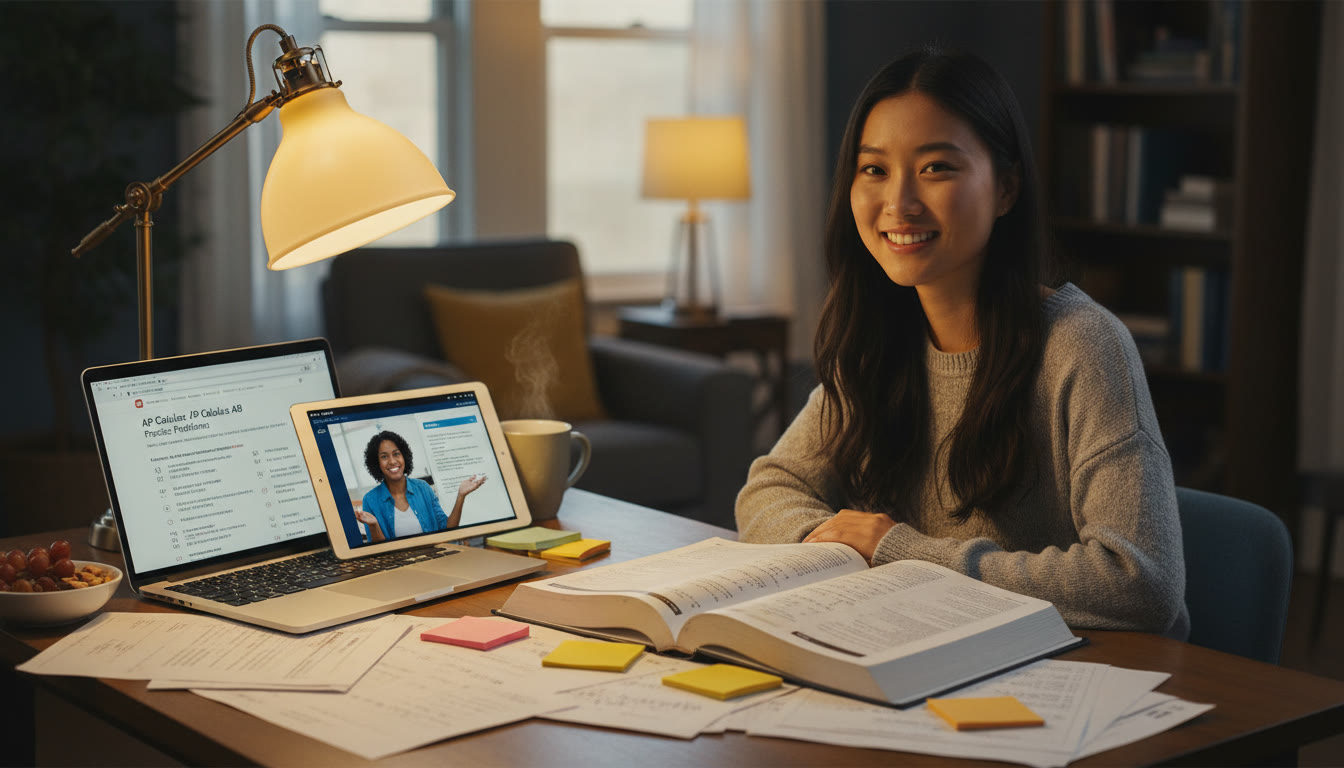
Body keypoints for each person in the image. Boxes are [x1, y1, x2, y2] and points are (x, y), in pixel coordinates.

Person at [735, 47, 1189, 639]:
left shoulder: (1083, 344)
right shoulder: (879, 336)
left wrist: (899, 552)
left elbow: (1141, 582)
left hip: (1075, 674)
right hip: (930, 647)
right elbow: (770, 488)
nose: (898, 203)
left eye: (936, 168)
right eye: (874, 170)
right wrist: (843, 552)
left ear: (1005, 189)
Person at [355, 430, 487, 543]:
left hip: (435, 559)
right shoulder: (371, 499)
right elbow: (379, 551)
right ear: (376, 463)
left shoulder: (423, 488)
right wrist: (374, 526)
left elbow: (447, 529)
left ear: (404, 456)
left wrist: (461, 496)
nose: (392, 461)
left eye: (396, 454)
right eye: (384, 456)